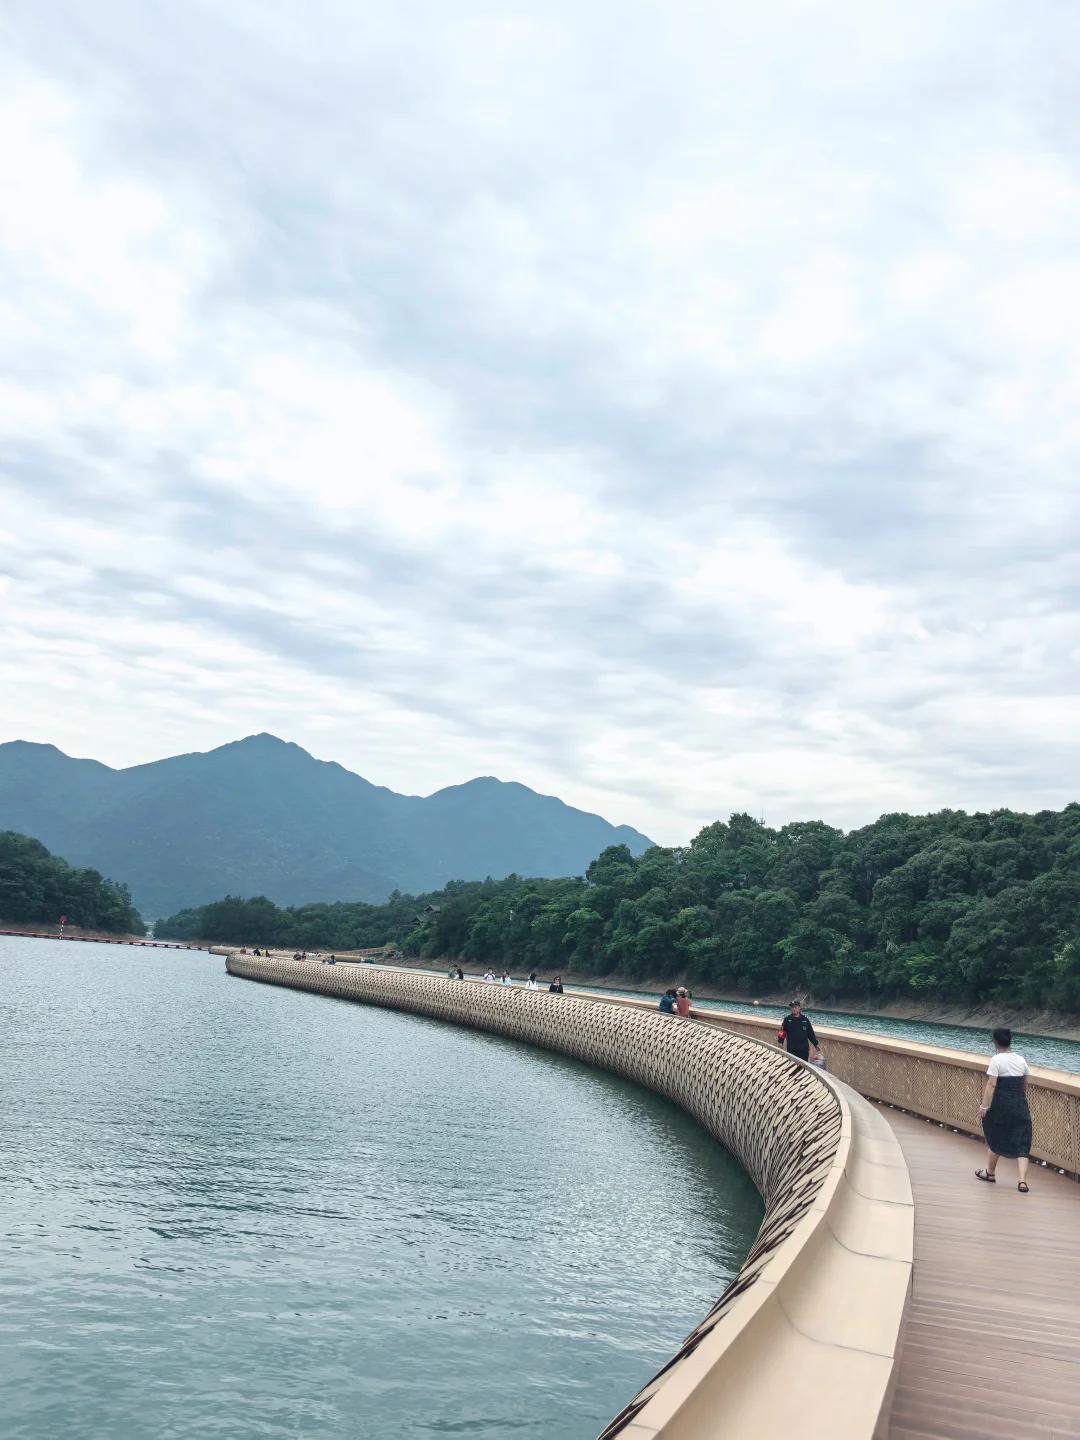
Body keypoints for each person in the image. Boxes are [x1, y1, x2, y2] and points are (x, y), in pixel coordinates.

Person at [976, 1027, 1032, 1191]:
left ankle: (990, 1173)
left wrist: (984, 1106)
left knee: (996, 1136)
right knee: (1023, 1143)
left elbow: (992, 1084)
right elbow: (1025, 1083)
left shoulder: (996, 1060)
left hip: (1001, 1106)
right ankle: (1022, 1182)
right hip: (1020, 1105)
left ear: (995, 1042)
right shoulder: (1021, 1060)